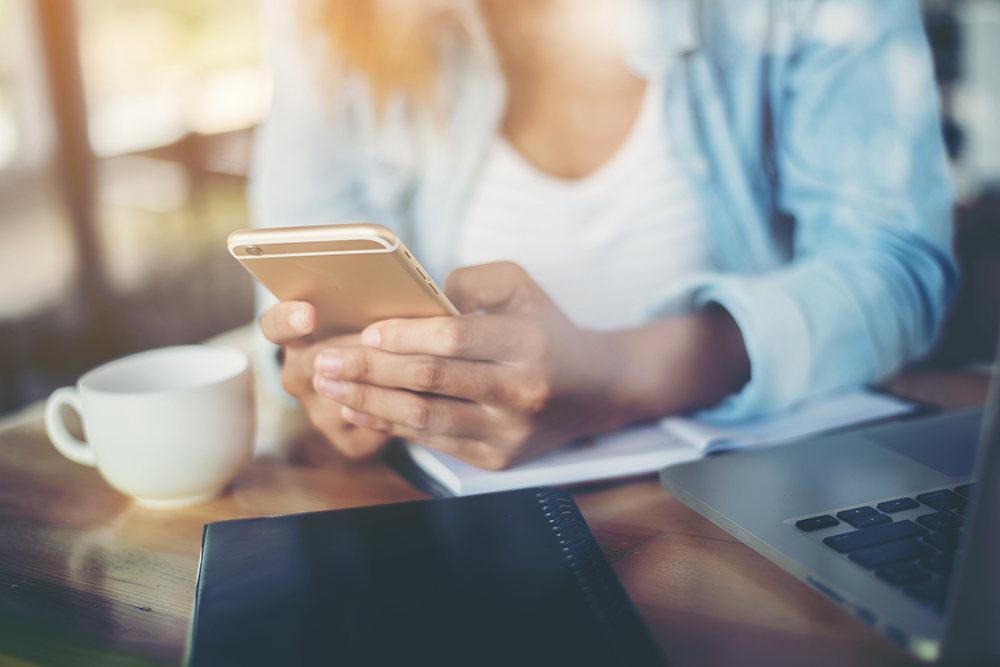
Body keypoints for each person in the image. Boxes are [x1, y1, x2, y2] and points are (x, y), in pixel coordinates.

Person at [252, 0, 956, 470]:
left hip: (759, 510)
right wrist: (341, 385)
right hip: (452, 525)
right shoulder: (330, 16)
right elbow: (291, 298)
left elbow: (895, 270)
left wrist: (621, 376)